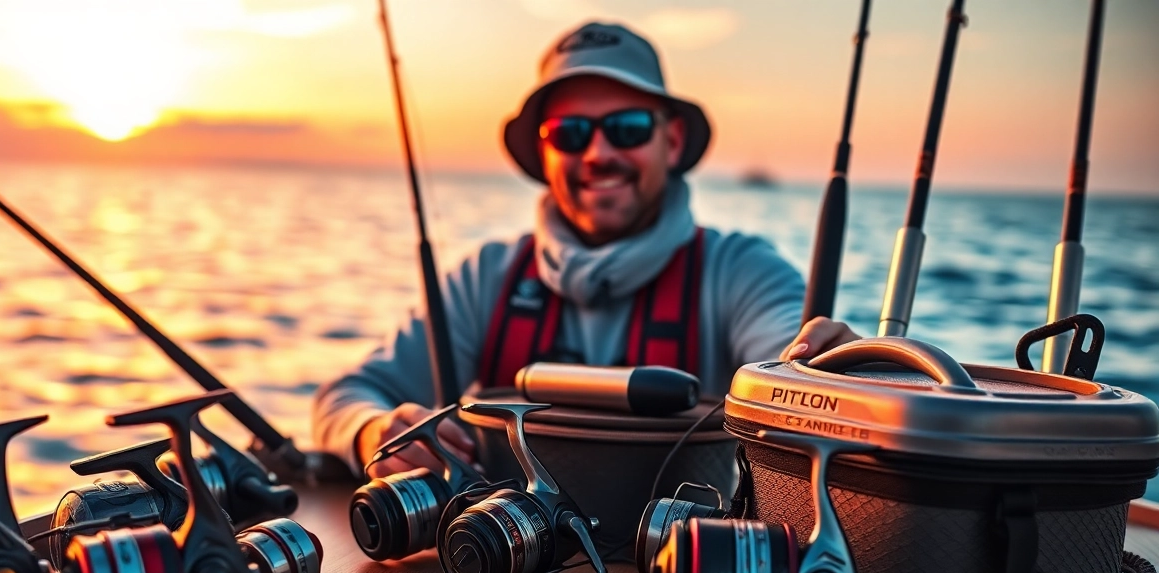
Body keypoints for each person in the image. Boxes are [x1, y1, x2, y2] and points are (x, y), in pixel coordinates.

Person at [313, 21, 859, 478]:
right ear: (544, 154)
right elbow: (350, 395)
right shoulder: (485, 279)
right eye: (570, 133)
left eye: (626, 128)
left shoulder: (741, 273)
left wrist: (843, 376)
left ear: (670, 142)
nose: (598, 154)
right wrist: (372, 434)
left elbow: (799, 381)